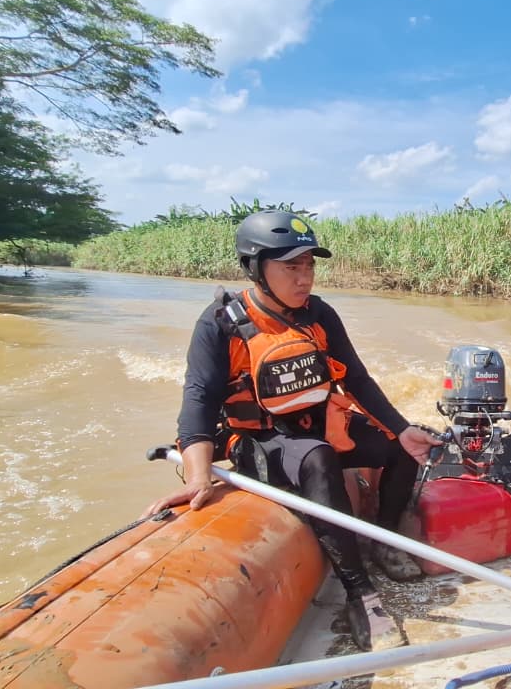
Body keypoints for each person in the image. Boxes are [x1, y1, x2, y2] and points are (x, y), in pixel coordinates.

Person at [143, 210, 441, 653]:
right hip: (261, 439)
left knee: (401, 446)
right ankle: (361, 592)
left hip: (317, 423)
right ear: (255, 268)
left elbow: (355, 380)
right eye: (291, 267)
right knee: (317, 457)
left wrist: (400, 429)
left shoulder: (318, 314)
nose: (305, 279)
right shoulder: (220, 323)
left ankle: (384, 537)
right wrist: (198, 475)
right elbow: (199, 402)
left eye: (310, 266)